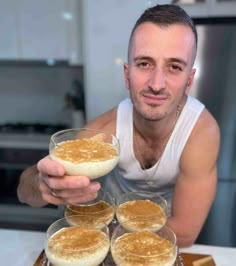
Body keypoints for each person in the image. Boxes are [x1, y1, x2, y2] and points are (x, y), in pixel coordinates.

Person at [17, 4, 220, 248]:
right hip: (106, 237)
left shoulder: (201, 133)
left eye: (174, 67)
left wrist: (112, 232)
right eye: (144, 64)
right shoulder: (105, 130)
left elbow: (185, 234)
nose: (157, 84)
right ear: (127, 74)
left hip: (162, 241)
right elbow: (23, 192)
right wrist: (43, 185)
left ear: (189, 81)